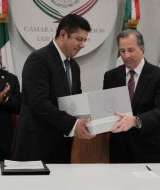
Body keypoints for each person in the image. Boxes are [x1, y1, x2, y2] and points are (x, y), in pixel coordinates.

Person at [13, 14, 94, 163]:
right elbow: (39, 103)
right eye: (79, 39)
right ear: (63, 34)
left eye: (85, 40)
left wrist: (87, 117)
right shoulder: (38, 59)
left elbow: (75, 99)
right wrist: (74, 124)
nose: (83, 45)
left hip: (63, 145)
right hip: (37, 147)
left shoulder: (74, 66)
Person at [103, 29, 160, 163]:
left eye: (131, 50)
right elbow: (107, 108)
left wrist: (135, 121)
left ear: (142, 49)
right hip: (120, 150)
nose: (126, 55)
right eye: (122, 51)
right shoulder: (111, 76)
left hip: (150, 150)